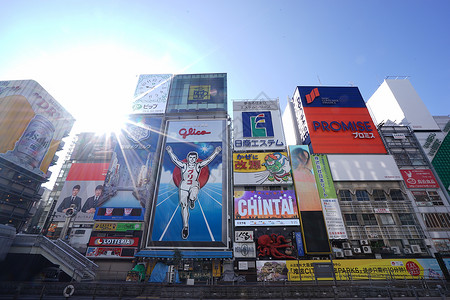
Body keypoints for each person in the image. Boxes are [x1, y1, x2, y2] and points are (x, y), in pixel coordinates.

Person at [166, 145, 222, 239]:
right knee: (184, 206)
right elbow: (175, 160)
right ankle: (185, 227)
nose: (192, 159)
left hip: (194, 185)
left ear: (196, 159)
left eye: (194, 157)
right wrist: (170, 152)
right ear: (188, 158)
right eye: (190, 157)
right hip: (183, 186)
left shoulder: (198, 165)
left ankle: (192, 200)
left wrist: (216, 152)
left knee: (192, 197)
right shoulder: (184, 165)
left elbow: (208, 160)